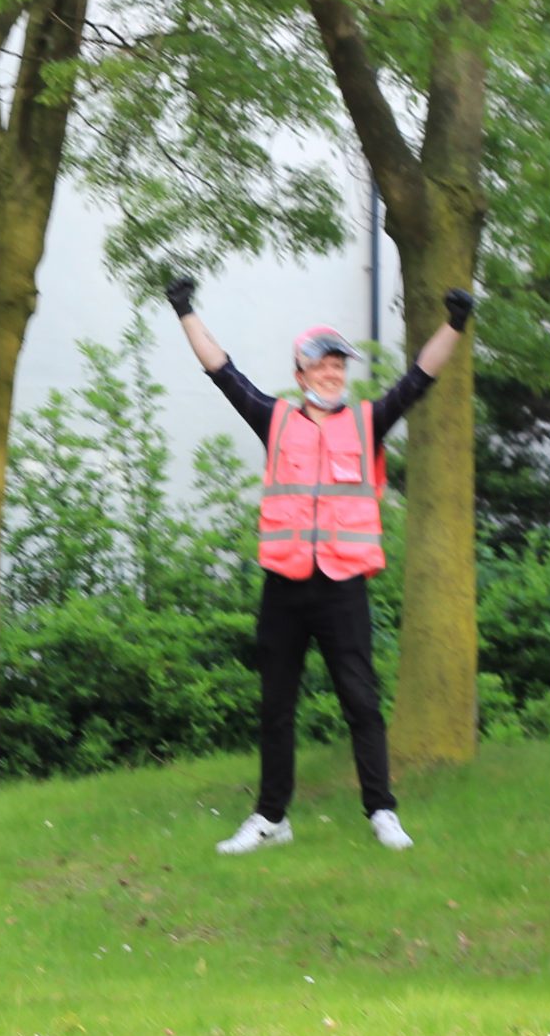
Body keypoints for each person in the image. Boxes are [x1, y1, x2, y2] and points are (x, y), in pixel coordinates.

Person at [164, 277, 472, 855]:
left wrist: (454, 324)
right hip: (283, 586)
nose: (333, 374)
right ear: (301, 374)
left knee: (361, 700)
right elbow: (221, 370)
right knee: (276, 705)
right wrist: (185, 311)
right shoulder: (274, 418)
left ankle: (382, 811)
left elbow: (420, 379)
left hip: (342, 586)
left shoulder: (367, 421)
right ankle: (271, 817)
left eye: (339, 367)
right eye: (322, 366)